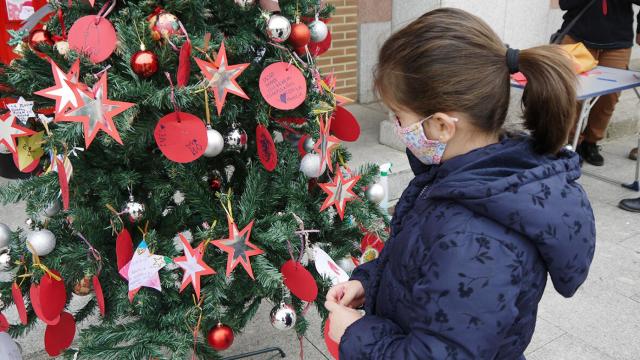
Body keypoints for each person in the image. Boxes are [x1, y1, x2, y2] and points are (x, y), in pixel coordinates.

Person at [324, 8, 596, 360]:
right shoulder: (458, 177)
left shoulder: (476, 235)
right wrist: (369, 282)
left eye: (399, 116)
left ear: (440, 126)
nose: (396, 125)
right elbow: (421, 269)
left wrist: (355, 333)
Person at [559, 0, 640, 166]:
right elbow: (564, 3)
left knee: (609, 97)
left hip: (618, 40)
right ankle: (570, 143)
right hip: (578, 37)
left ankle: (591, 142)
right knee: (573, 94)